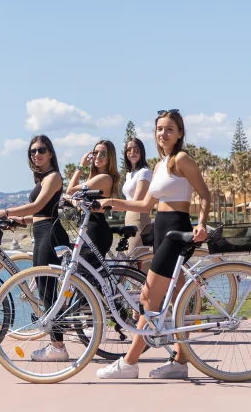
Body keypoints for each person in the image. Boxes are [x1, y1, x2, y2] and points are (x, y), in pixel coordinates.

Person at [95, 110, 211, 379]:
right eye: (159, 129)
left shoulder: (182, 159)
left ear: (180, 133)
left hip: (176, 230)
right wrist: (111, 202)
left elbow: (205, 194)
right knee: (179, 300)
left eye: (169, 129)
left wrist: (202, 223)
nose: (163, 133)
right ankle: (180, 362)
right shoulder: (161, 165)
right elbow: (145, 205)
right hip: (160, 230)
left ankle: (129, 362)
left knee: (149, 298)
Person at [0, 135, 71, 361]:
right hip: (42, 230)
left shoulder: (53, 177)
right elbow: (39, 215)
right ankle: (56, 344)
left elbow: (37, 206)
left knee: (47, 290)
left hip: (51, 235)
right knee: (45, 289)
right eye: (32, 151)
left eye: (41, 150)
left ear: (51, 153)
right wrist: (19, 221)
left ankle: (58, 347)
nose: (36, 154)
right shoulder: (42, 179)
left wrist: (7, 212)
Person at [66, 139, 120, 275]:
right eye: (95, 153)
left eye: (103, 154)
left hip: (96, 231)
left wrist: (81, 166)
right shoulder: (95, 178)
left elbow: (70, 190)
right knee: (87, 279)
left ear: (110, 158)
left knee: (86, 279)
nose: (98, 157)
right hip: (89, 229)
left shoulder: (104, 178)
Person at [120, 137, 153, 255]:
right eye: (129, 149)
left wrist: (112, 204)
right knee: (129, 256)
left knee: (136, 257)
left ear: (142, 151)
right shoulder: (129, 174)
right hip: (129, 216)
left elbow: (137, 201)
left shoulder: (144, 172)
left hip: (138, 217)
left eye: (136, 149)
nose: (132, 152)